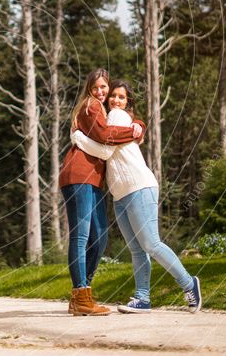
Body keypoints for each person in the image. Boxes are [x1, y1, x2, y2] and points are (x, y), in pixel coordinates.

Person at [71, 80, 202, 313]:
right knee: (137, 249)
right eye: (113, 96)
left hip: (139, 187)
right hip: (121, 194)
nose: (115, 100)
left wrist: (79, 137)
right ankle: (142, 298)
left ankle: (189, 283)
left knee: (151, 243)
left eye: (121, 97)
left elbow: (106, 148)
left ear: (127, 102)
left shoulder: (118, 117)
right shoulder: (113, 118)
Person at [58, 69, 145, 316]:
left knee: (100, 237)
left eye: (103, 87)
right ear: (89, 89)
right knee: (82, 237)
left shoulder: (105, 110)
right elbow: (107, 137)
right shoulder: (91, 106)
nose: (101, 91)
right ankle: (81, 294)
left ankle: (82, 292)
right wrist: (133, 132)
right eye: (96, 87)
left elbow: (120, 123)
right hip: (79, 176)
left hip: (93, 180)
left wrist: (138, 124)